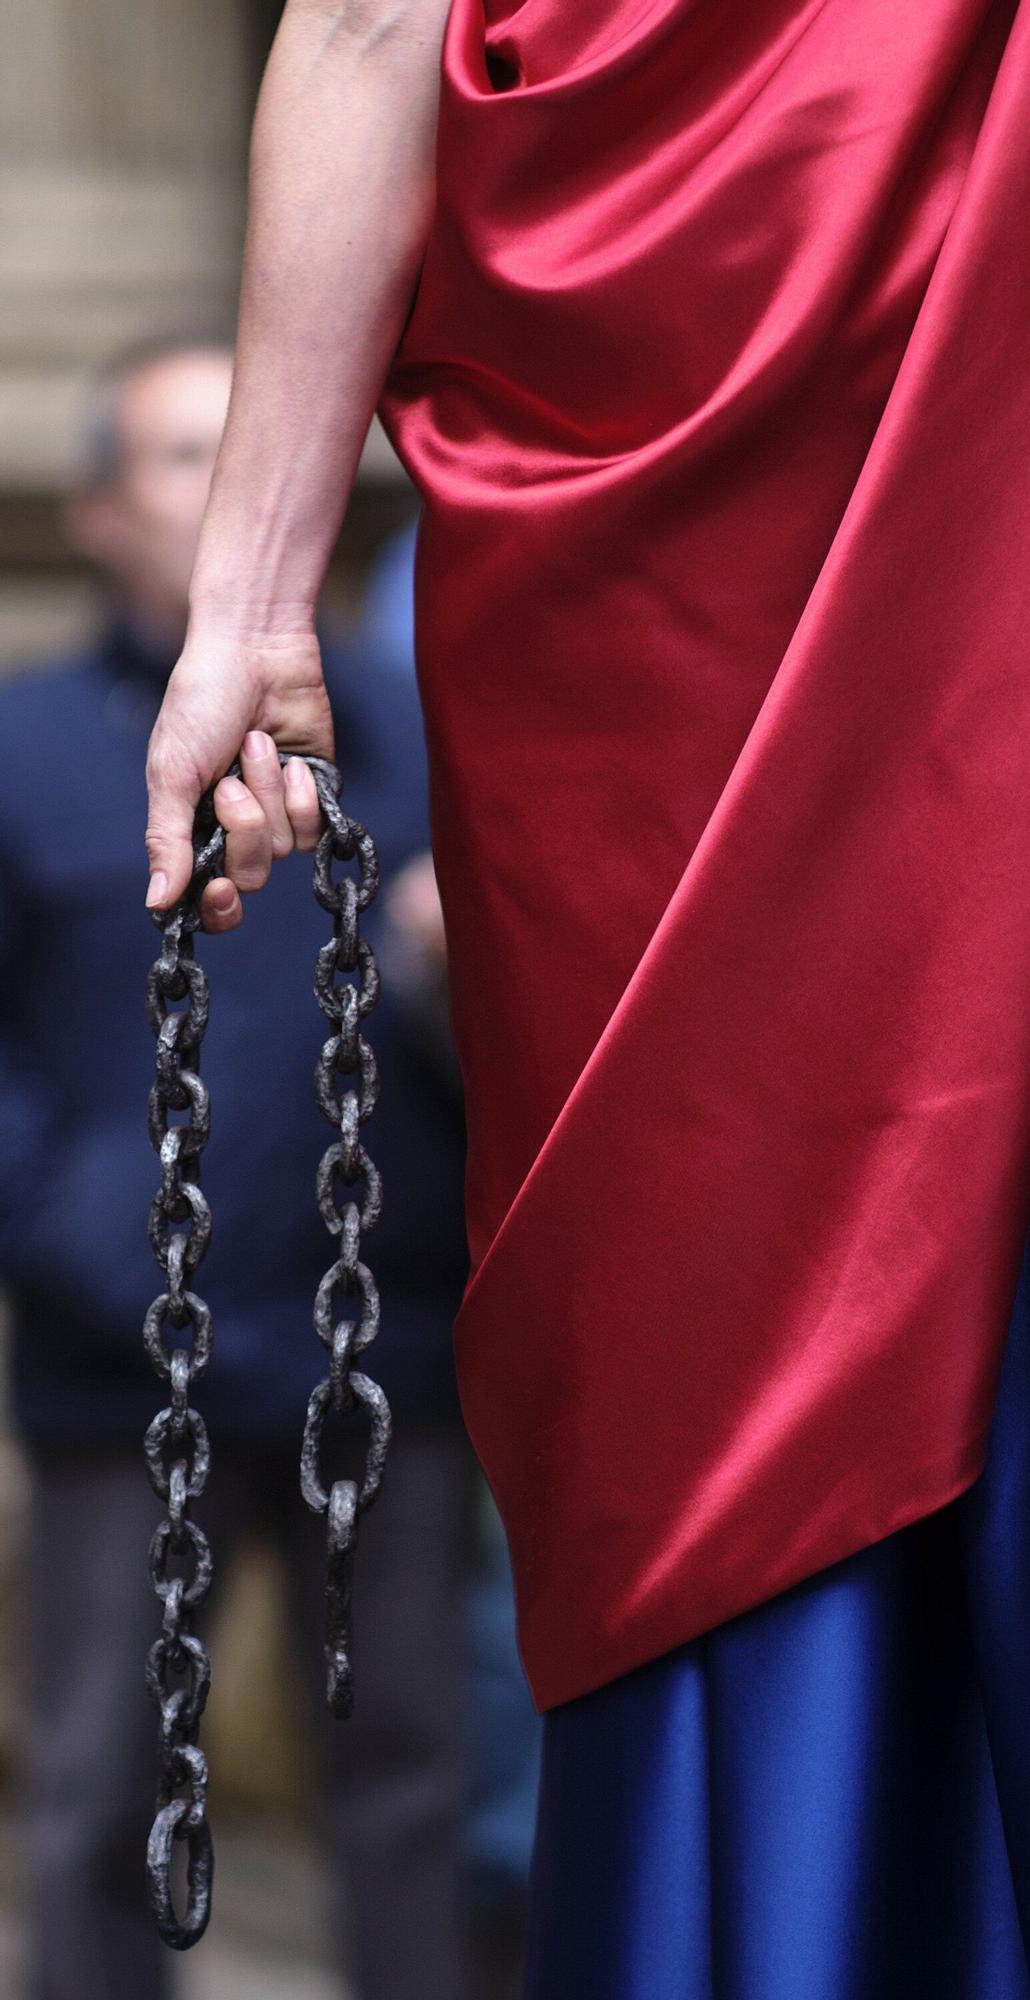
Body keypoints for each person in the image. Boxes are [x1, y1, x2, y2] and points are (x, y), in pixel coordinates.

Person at [140, 1, 1030, 1993]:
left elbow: (361, 20)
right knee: (955, 1359)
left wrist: (261, 592)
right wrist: (255, 593)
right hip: (851, 455)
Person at [0, 334, 483, 1999]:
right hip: (120, 1365)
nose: (232, 491)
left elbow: (484, 1037)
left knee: (409, 1775)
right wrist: (74, 1232)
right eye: (184, 455)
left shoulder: (414, 727)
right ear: (96, 510)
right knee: (104, 1793)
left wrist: (443, 963)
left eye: (254, 449)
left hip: (384, 1355)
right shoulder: (22, 747)